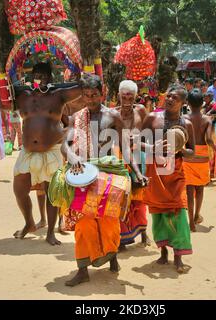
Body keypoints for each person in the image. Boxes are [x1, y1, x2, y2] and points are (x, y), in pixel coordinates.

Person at [62, 75, 144, 286]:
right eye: (87, 96)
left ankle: (112, 255)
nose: (90, 100)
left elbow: (125, 148)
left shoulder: (113, 117)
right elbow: (66, 144)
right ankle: (82, 269)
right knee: (83, 223)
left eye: (95, 95)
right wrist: (71, 157)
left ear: (103, 93)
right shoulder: (76, 117)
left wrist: (137, 172)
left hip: (109, 175)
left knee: (109, 221)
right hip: (82, 176)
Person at [12, 61, 82, 245]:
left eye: (45, 76)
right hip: (28, 151)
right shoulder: (22, 95)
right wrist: (5, 78)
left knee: (52, 193)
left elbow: (82, 89)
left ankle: (51, 232)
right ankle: (29, 223)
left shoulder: (58, 95)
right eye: (37, 76)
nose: (41, 79)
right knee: (19, 189)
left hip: (52, 149)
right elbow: (4, 97)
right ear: (31, 77)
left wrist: (86, 71)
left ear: (51, 78)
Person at [141, 84, 195, 274]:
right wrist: (151, 148)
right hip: (155, 171)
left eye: (175, 98)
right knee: (158, 214)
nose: (170, 99)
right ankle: (163, 252)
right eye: (169, 95)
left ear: (183, 102)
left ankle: (178, 257)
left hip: (176, 172)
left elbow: (192, 151)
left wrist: (179, 148)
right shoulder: (152, 118)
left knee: (179, 212)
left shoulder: (186, 124)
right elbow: (137, 142)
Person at [115, 80, 150, 250]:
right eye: (124, 94)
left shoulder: (141, 111)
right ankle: (122, 238)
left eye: (131, 95)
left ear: (136, 96)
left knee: (139, 197)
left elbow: (148, 131)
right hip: (119, 158)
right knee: (121, 198)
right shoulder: (113, 114)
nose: (127, 98)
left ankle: (143, 232)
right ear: (119, 95)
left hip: (138, 156)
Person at [183, 89, 216, 232]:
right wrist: (215, 147)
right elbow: (209, 139)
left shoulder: (184, 118)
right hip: (202, 156)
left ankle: (190, 221)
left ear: (188, 103)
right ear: (202, 103)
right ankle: (197, 215)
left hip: (189, 155)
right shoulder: (207, 119)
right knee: (200, 188)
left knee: (189, 189)